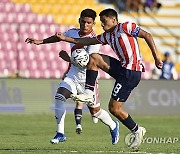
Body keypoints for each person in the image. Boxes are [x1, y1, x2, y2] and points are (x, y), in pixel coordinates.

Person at [56, 8, 163, 150]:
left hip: (131, 72)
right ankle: (89, 93)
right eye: (101, 22)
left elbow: (147, 35)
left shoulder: (126, 27)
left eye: (104, 21)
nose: (102, 24)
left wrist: (156, 58)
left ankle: (137, 130)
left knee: (114, 109)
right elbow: (87, 41)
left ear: (114, 20)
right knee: (94, 57)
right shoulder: (107, 36)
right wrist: (65, 38)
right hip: (122, 68)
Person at [25, 8, 119, 145]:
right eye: (83, 21)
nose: (85, 25)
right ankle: (60, 133)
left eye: (88, 23)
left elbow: (88, 63)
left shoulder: (94, 40)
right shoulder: (72, 32)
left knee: (95, 112)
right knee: (59, 96)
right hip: (73, 76)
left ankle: (113, 125)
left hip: (88, 80)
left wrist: (68, 59)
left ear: (93, 24)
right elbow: (59, 37)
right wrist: (41, 41)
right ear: (79, 20)